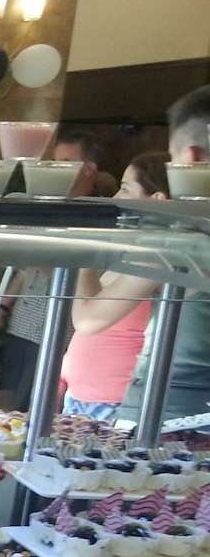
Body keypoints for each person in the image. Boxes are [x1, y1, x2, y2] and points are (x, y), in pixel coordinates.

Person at [0, 130, 107, 410]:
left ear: (89, 169)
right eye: (55, 162)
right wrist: (0, 307)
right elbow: (24, 269)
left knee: (38, 407)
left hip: (59, 330)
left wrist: (33, 251)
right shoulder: (47, 207)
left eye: (66, 162)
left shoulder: (97, 215)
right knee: (13, 405)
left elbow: (84, 274)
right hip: (24, 325)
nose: (57, 169)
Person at [119, 85, 210, 430]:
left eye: (172, 160)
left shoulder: (182, 237)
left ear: (192, 157)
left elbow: (90, 319)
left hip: (172, 412)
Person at [60, 153, 172, 419]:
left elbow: (88, 321)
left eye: (125, 189)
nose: (116, 197)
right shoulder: (136, 252)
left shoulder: (158, 257)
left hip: (114, 402)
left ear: (157, 199)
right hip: (85, 396)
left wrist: (84, 258)